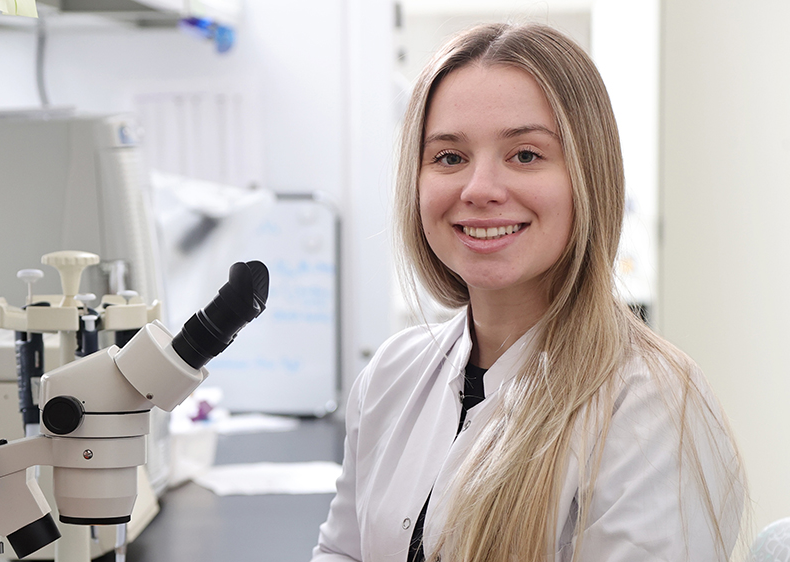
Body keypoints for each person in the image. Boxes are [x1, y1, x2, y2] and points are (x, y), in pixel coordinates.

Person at [311, 23, 746, 562]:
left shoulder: (651, 407)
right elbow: (342, 553)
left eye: (525, 155)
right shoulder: (391, 374)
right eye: (449, 157)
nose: (480, 189)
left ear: (588, 175)